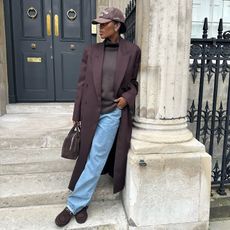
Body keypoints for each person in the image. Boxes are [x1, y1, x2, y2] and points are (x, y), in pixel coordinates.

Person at [55, 7, 141, 227]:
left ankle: (73, 205)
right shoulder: (91, 51)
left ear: (117, 25)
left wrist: (126, 98)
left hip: (112, 113)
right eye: (99, 24)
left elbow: (133, 83)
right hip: (91, 110)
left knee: (96, 158)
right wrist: (77, 114)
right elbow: (82, 84)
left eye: (104, 24)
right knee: (85, 155)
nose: (100, 28)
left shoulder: (132, 51)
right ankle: (83, 204)